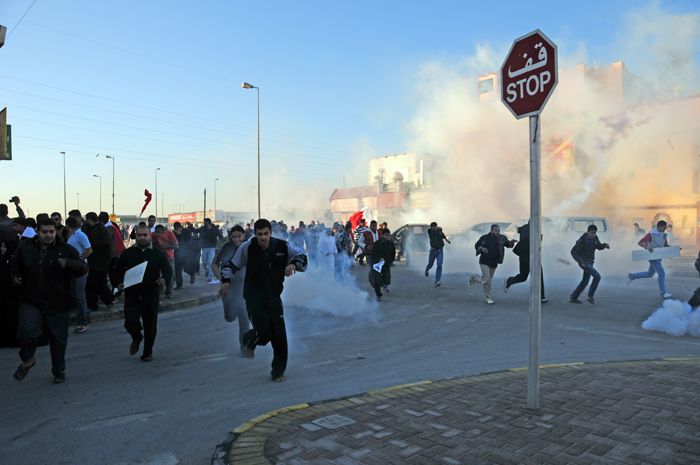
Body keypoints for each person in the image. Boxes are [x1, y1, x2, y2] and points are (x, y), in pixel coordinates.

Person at [221, 219, 307, 382]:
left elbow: (302, 256)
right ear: (255, 234)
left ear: (270, 233)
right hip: (254, 298)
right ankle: (249, 339)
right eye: (259, 234)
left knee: (280, 336)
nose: (263, 238)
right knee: (264, 333)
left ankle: (278, 371)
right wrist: (226, 282)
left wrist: (293, 264)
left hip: (274, 297)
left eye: (266, 234)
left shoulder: (282, 246)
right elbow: (230, 266)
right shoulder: (247, 247)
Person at [11, 218, 88, 383]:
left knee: (58, 340)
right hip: (32, 299)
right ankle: (28, 359)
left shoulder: (66, 250)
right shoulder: (26, 247)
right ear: (38, 231)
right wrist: (15, 275)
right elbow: (15, 262)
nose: (48, 235)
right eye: (44, 232)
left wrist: (68, 263)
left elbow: (83, 268)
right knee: (26, 331)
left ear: (56, 232)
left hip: (58, 302)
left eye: (51, 232)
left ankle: (59, 371)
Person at [114, 224, 172, 362]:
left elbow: (168, 271)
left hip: (151, 294)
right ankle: (137, 337)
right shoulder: (128, 253)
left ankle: (147, 352)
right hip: (132, 294)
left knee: (150, 325)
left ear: (149, 236)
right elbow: (117, 271)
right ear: (136, 236)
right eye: (139, 235)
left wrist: (164, 279)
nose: (142, 237)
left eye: (145, 235)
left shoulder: (158, 253)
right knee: (130, 322)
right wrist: (119, 283)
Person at [215, 225, 251, 356]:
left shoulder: (249, 247)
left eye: (239, 236)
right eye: (234, 237)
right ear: (230, 237)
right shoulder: (226, 247)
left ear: (244, 235)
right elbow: (214, 264)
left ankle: (244, 348)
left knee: (244, 319)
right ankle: (232, 312)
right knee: (229, 317)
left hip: (244, 288)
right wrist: (222, 279)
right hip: (229, 287)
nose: (236, 239)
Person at [469, 224, 515, 304]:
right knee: (487, 279)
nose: (497, 232)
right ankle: (488, 298)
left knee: (488, 280)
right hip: (484, 261)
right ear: (491, 230)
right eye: (496, 231)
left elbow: (508, 245)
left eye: (499, 231)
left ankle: (474, 278)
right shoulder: (485, 238)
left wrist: (512, 243)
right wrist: (482, 249)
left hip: (494, 262)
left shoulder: (502, 238)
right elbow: (477, 245)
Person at [503, 221, 547, 303]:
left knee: (538, 275)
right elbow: (529, 240)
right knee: (523, 277)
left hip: (532, 257)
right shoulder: (528, 229)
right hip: (526, 257)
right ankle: (509, 280)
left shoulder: (530, 228)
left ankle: (541, 296)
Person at [628, 220, 672, 298]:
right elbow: (640, 243)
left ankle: (633, 276)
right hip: (652, 257)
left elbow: (665, 245)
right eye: (664, 227)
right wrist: (647, 247)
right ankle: (663, 292)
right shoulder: (651, 234)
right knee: (662, 273)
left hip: (659, 256)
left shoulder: (664, 235)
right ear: (659, 226)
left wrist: (674, 249)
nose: (665, 229)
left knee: (650, 274)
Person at [569, 224, 610, 305]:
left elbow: (598, 246)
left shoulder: (595, 238)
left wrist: (604, 245)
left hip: (590, 262)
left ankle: (573, 297)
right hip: (584, 262)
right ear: (587, 232)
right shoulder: (582, 240)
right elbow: (573, 252)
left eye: (595, 233)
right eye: (591, 233)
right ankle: (590, 296)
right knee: (597, 276)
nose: (593, 235)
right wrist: (581, 262)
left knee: (585, 281)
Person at [65, 216, 93, 333]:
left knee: (79, 295)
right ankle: (83, 315)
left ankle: (84, 321)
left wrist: (79, 261)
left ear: (67, 225)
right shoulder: (72, 235)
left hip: (80, 269)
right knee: (75, 293)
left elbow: (89, 250)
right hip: (73, 268)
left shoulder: (81, 235)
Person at [83, 212, 114, 311]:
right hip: (97, 262)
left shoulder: (99, 229)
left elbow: (96, 243)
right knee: (92, 284)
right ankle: (93, 304)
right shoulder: (98, 229)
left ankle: (108, 299)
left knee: (98, 284)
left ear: (89, 220)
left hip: (99, 262)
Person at [152, 224, 179, 297]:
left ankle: (169, 291)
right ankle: (159, 291)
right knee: (157, 275)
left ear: (162, 230)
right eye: (156, 231)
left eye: (158, 231)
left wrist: (167, 246)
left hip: (169, 257)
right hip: (158, 258)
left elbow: (177, 246)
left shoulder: (169, 233)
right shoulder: (154, 234)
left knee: (172, 275)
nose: (157, 233)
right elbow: (152, 244)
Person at [370, 228, 396, 300]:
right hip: (378, 263)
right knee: (377, 280)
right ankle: (378, 295)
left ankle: (384, 285)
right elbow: (374, 254)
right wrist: (378, 261)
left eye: (388, 235)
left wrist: (391, 261)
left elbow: (393, 254)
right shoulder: (377, 244)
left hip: (387, 263)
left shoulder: (391, 244)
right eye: (386, 235)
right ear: (382, 235)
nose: (387, 237)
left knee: (387, 279)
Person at [425, 222, 450, 287]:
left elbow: (444, 237)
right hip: (433, 251)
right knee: (430, 264)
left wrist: (447, 240)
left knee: (439, 265)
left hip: (440, 251)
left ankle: (437, 281)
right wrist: (438, 228)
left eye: (435, 227)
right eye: (433, 227)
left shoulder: (439, 231)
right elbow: (429, 230)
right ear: (431, 227)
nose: (434, 228)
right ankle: (427, 269)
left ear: (436, 226)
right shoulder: (430, 231)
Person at [198, 218, 221, 283]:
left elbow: (219, 235)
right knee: (204, 263)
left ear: (208, 222)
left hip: (212, 247)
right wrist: (190, 227)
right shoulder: (202, 228)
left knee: (209, 262)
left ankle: (210, 277)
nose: (204, 223)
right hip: (204, 247)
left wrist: (221, 241)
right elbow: (196, 230)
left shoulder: (214, 228)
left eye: (205, 222)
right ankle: (208, 271)